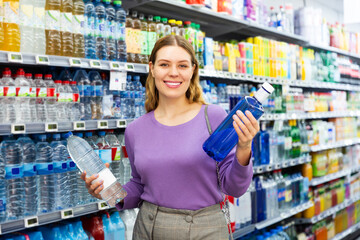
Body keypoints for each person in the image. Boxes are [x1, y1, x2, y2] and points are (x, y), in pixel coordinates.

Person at [81, 35, 259, 239]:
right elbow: (140, 185)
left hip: (204, 229)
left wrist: (244, 147)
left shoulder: (214, 117)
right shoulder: (135, 130)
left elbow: (234, 188)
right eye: (164, 64)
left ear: (193, 70)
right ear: (152, 68)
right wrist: (108, 191)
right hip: (148, 228)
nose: (173, 73)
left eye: (182, 66)